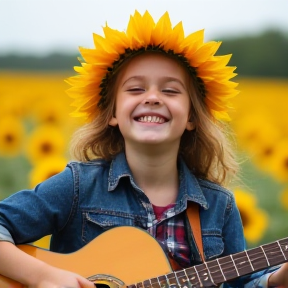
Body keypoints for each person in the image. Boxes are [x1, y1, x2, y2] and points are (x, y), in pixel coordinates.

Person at [0, 10, 287, 288]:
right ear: (112, 113)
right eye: (135, 89)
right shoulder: (79, 187)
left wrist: (275, 280)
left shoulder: (218, 207)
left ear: (191, 117)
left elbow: (240, 282)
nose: (152, 98)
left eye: (171, 90)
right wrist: (41, 277)